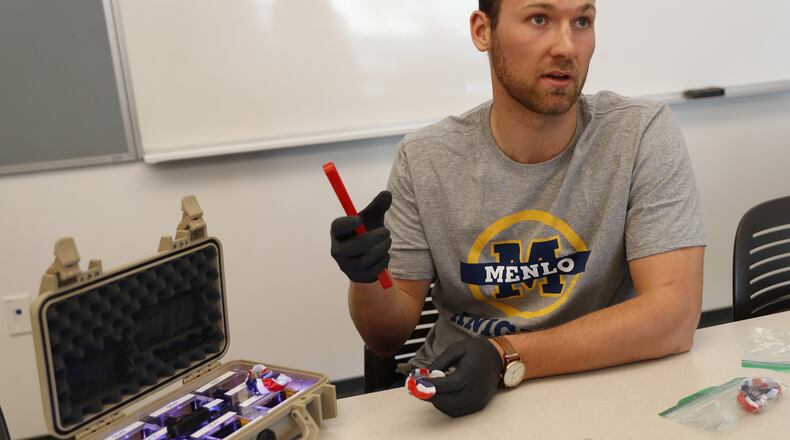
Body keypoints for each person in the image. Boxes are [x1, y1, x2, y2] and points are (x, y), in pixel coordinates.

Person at [330, 0, 705, 418]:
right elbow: (386, 338)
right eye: (539, 19)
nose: (566, 46)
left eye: (582, 21)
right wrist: (366, 279)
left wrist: (504, 356)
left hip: (601, 381)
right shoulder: (426, 159)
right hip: (460, 391)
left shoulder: (639, 133)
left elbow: (674, 316)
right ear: (482, 31)